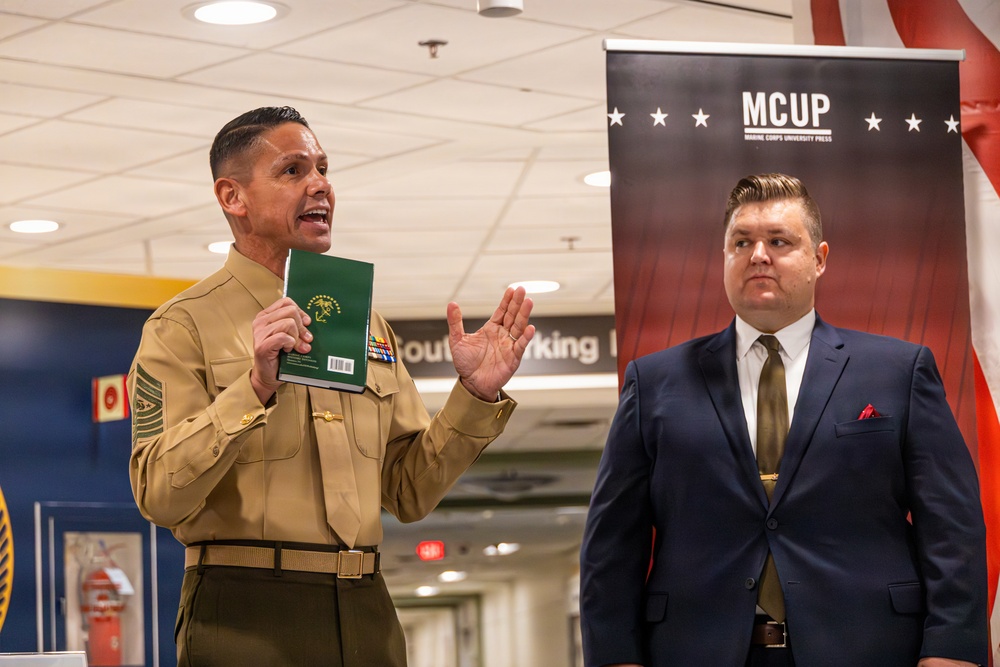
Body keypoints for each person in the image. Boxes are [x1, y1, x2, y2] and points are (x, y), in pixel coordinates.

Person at [128, 106, 535, 666]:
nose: (320, 184)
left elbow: (408, 490)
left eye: (323, 167)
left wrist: (475, 395)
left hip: (368, 606)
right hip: (245, 610)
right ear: (232, 197)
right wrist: (252, 388)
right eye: (293, 171)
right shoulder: (181, 326)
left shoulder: (363, 322)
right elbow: (157, 493)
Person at [579, 173, 987, 667]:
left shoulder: (898, 371)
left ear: (819, 259)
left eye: (779, 241)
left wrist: (952, 652)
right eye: (741, 242)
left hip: (870, 648)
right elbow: (611, 544)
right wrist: (616, 658)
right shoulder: (655, 382)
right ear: (725, 257)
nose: (758, 255)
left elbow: (952, 527)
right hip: (696, 650)